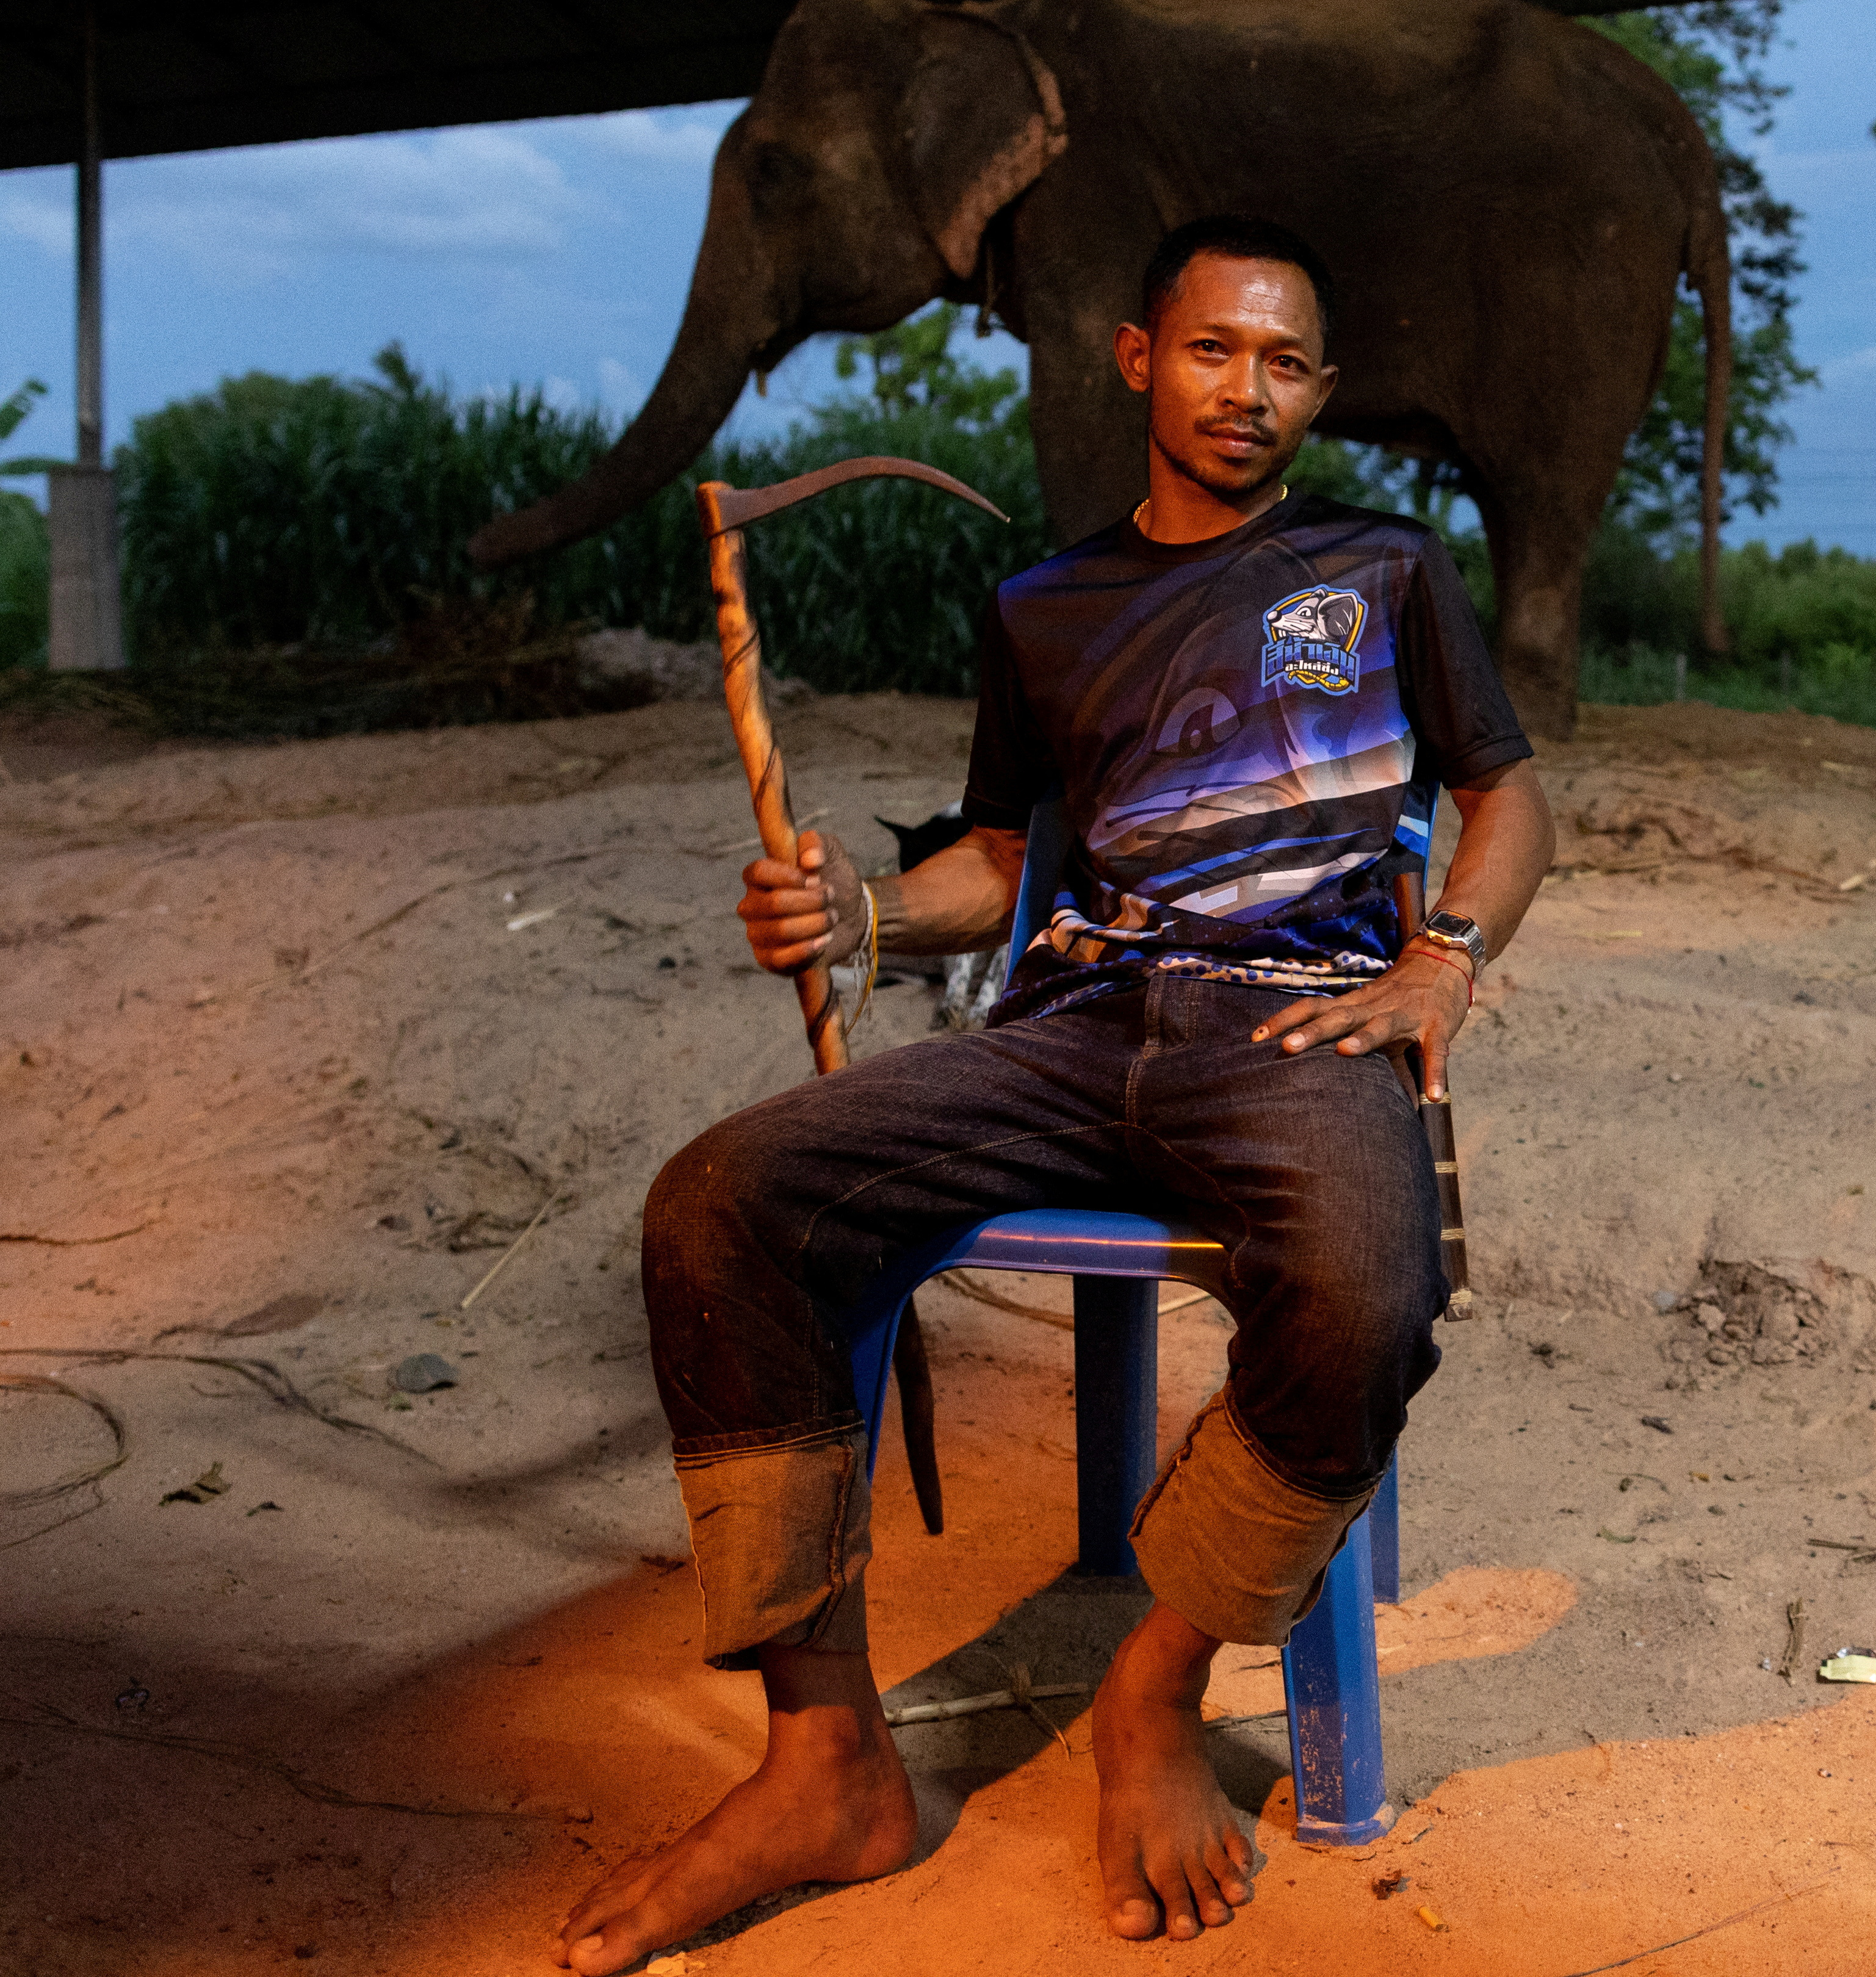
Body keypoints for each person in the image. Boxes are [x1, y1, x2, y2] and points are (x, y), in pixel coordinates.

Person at [557, 215, 1556, 1970]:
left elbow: (1508, 798)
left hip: (1297, 1022)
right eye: (1213, 349)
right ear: (1138, 360)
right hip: (1072, 1025)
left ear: (1321, 389)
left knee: (1365, 1288)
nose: (1246, 388)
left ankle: (1154, 1689)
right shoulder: (1041, 606)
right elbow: (1008, 857)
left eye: (1284, 360)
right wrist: (862, 909)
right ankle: (827, 1757)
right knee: (722, 1197)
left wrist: (1446, 957)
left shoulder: (1382, 568)